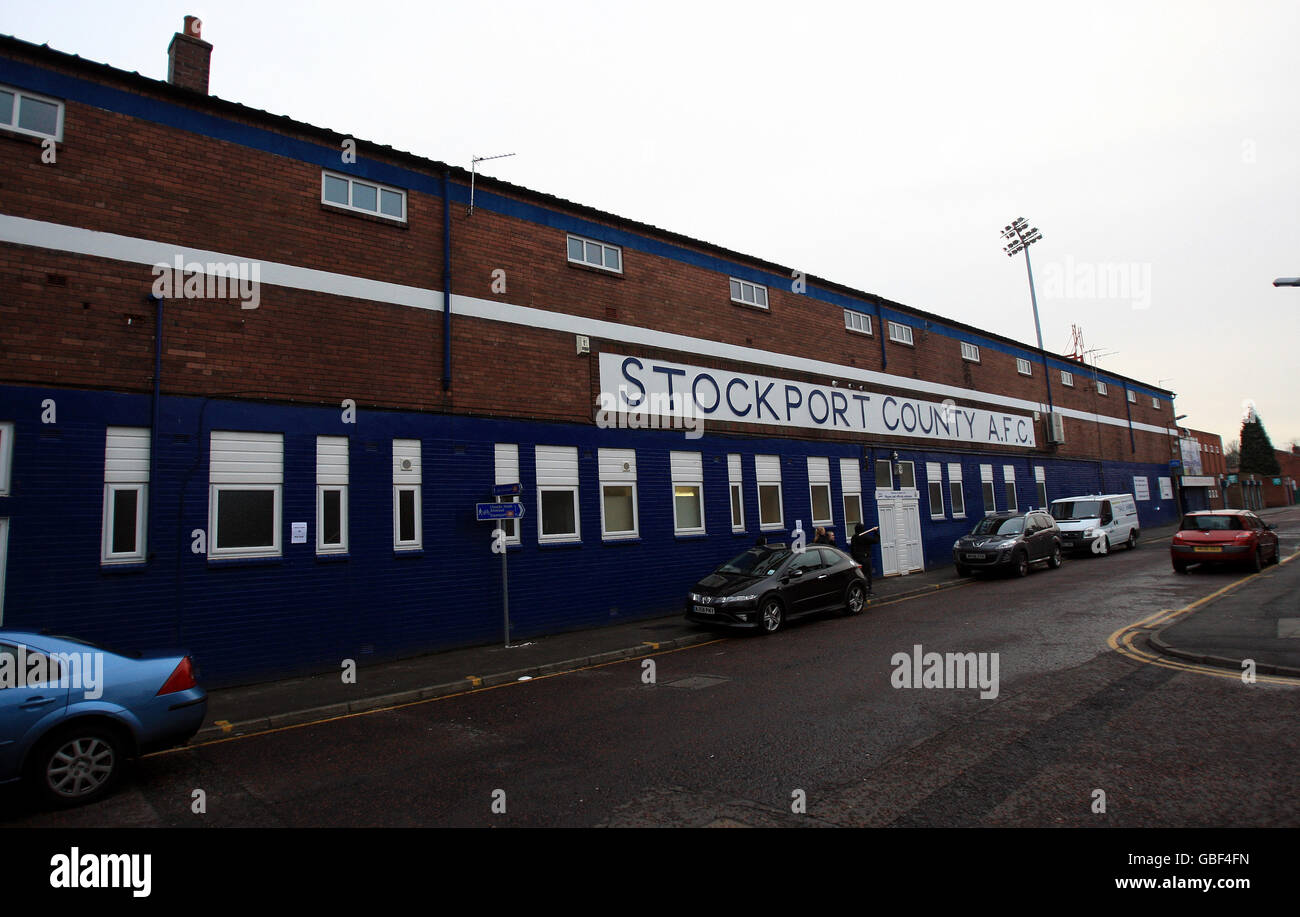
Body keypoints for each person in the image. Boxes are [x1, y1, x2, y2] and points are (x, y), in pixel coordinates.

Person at [850, 522, 880, 595]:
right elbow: (876, 541)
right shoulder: (864, 536)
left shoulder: (854, 537)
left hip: (857, 559)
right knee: (867, 574)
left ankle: (861, 590)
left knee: (860, 575)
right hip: (865, 558)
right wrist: (876, 532)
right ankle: (867, 590)